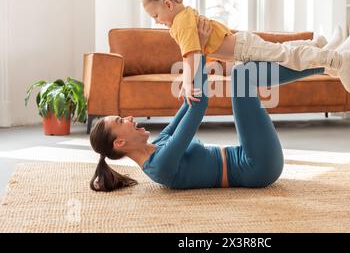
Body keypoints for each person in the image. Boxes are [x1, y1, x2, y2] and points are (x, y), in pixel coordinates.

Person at [89, 56, 326, 192]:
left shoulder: (158, 144)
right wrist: (197, 50)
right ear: (119, 142)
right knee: (243, 76)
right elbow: (200, 106)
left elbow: (189, 105)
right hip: (257, 167)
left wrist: (188, 79)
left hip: (245, 155)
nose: (129, 118)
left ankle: (320, 54)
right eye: (121, 120)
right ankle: (326, 62)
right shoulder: (160, 164)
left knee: (244, 72)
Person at [141, 0, 350, 109]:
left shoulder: (180, 24)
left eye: (155, 15)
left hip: (243, 48)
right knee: (283, 53)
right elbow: (197, 52)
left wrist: (188, 84)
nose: (157, 22)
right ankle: (319, 45)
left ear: (168, 4)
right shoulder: (185, 16)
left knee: (286, 57)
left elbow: (191, 56)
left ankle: (338, 60)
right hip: (242, 46)